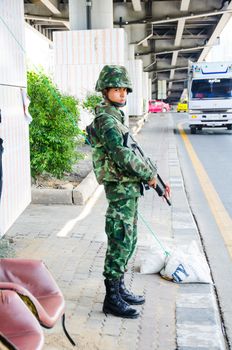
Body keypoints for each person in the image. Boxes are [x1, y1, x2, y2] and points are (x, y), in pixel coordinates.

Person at [87, 65, 168, 319]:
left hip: (129, 189)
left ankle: (119, 289)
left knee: (129, 240)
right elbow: (121, 156)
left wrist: (155, 178)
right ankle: (111, 299)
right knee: (120, 239)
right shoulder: (105, 121)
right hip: (120, 190)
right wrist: (149, 176)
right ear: (105, 90)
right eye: (117, 89)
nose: (122, 94)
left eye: (124, 90)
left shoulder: (117, 118)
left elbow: (132, 151)